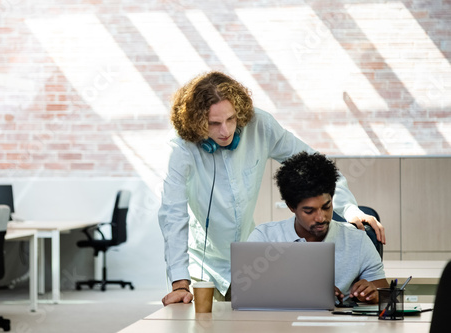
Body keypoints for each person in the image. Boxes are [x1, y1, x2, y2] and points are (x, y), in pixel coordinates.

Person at [158, 71, 385, 306]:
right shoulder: (180, 148)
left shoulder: (260, 126)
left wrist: (349, 208)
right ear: (196, 123)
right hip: (200, 267)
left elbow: (314, 164)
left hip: (248, 261)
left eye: (231, 120)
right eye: (213, 124)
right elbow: (173, 215)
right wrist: (180, 282)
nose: (225, 132)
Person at [247, 152, 389, 303]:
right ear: (291, 207)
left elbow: (385, 295)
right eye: (309, 211)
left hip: (338, 324)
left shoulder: (358, 240)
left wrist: (374, 294)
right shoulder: (264, 238)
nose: (321, 218)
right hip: (280, 324)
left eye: (326, 207)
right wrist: (306, 293)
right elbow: (246, 293)